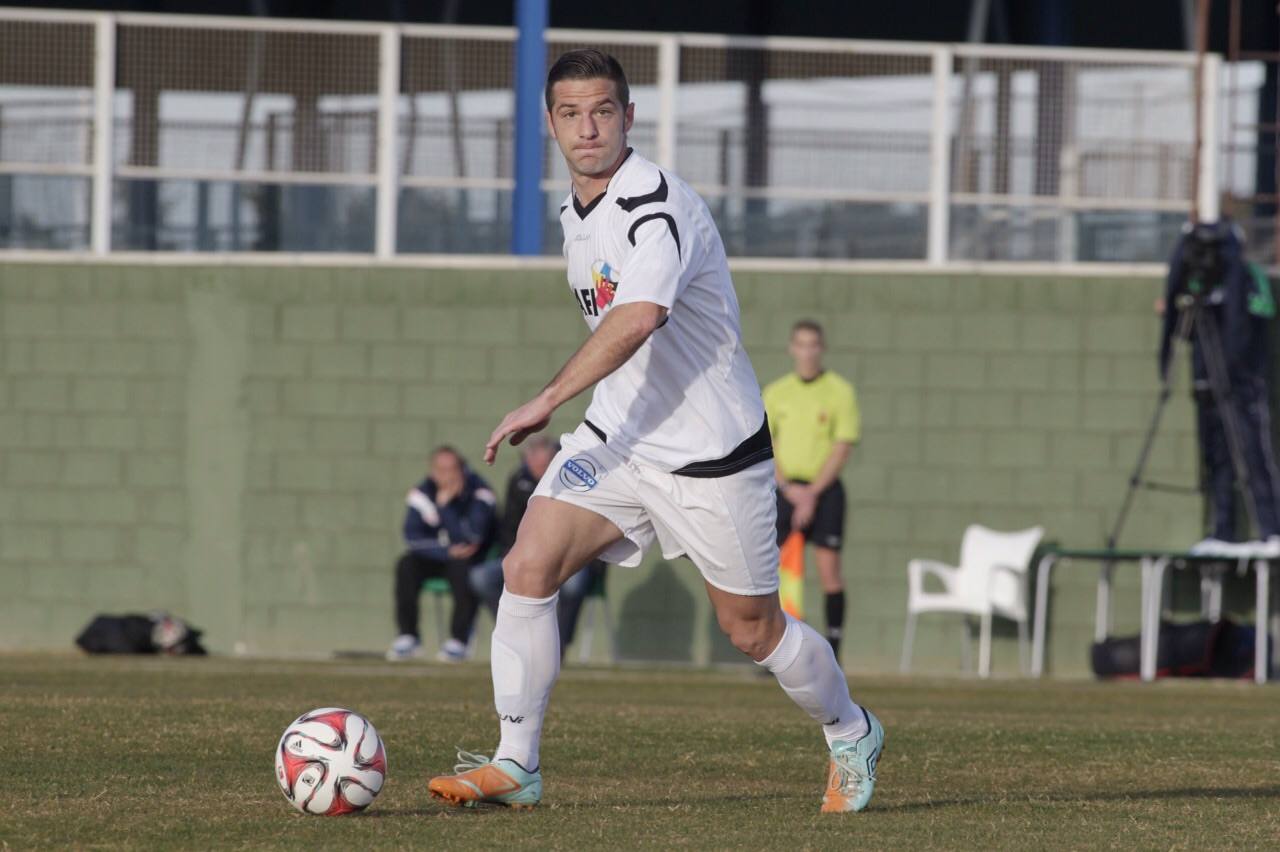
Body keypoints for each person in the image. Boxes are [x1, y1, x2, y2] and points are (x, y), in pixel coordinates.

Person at [427, 49, 882, 814]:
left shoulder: (655, 206)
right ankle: (517, 763)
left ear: (629, 117)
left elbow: (639, 317)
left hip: (710, 456)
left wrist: (545, 400)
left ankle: (849, 728)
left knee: (752, 629)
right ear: (549, 124)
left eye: (603, 110)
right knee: (526, 567)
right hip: (618, 438)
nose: (588, 127)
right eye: (570, 114)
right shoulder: (576, 212)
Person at [763, 319, 860, 661]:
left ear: (822, 348)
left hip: (824, 491)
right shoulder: (776, 393)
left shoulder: (840, 391)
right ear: (792, 348)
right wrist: (789, 487)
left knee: (829, 570)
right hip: (784, 489)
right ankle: (774, 649)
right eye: (801, 344)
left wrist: (812, 493)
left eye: (813, 345)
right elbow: (766, 444)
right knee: (771, 568)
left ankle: (833, 651)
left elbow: (842, 445)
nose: (807, 352)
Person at [471, 434, 609, 658]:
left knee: (574, 585)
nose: (538, 470)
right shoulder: (518, 481)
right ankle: (519, 635)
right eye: (533, 463)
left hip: (572, 558)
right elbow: (510, 528)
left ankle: (557, 645)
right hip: (531, 556)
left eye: (545, 464)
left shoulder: (576, 480)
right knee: (482, 578)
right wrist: (515, 557)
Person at [387, 447, 497, 662]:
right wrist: (445, 550)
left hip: (470, 560)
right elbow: (412, 538)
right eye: (441, 470)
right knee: (406, 565)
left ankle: (459, 640)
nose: (447, 476)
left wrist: (446, 508)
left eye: (452, 469)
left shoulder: (479, 492)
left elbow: (473, 536)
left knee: (464, 568)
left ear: (462, 469)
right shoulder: (422, 493)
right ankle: (408, 636)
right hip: (438, 557)